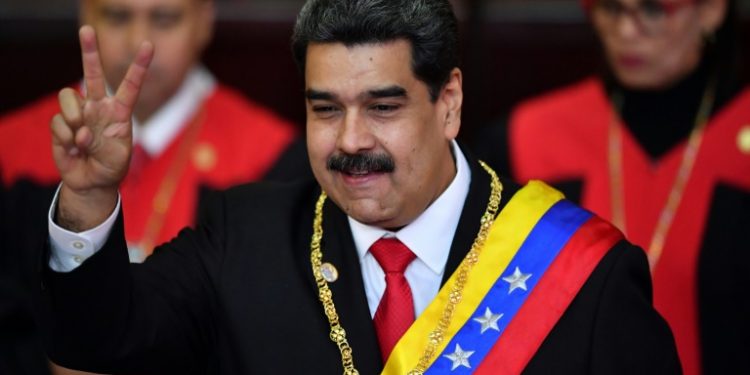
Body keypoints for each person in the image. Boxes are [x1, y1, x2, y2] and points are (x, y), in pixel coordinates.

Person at [33, 0, 680, 373]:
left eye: (383, 107)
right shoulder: (243, 239)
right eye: (325, 109)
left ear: (448, 102)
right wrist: (90, 198)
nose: (350, 141)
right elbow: (102, 341)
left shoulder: (582, 275)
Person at [0, 0, 298, 373]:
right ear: (84, 16)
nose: (139, 41)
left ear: (204, 22)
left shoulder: (272, 159)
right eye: (117, 16)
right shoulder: (11, 153)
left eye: (164, 19)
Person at [475, 0, 749, 374]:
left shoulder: (739, 145)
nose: (625, 32)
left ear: (711, 10)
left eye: (652, 11)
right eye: (610, 9)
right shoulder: (525, 140)